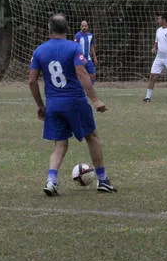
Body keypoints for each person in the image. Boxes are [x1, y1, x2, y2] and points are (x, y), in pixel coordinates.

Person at [29, 13, 117, 196]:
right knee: (92, 137)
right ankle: (103, 180)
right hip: (75, 101)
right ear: (68, 29)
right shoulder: (74, 47)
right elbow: (81, 72)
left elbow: (32, 81)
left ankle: (51, 181)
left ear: (49, 29)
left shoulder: (39, 51)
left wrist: (41, 105)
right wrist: (95, 99)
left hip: (53, 104)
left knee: (60, 144)